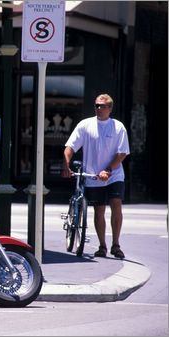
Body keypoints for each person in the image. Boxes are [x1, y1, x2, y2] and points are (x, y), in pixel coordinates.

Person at [61, 94, 130, 259]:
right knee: (99, 211)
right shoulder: (85, 125)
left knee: (116, 205)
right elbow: (70, 146)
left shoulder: (118, 127)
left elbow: (122, 153)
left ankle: (116, 244)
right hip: (93, 176)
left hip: (113, 174)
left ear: (110, 108)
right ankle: (102, 246)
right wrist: (66, 164)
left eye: (103, 106)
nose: (99, 108)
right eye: (97, 105)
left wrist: (108, 170)